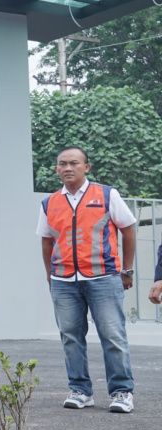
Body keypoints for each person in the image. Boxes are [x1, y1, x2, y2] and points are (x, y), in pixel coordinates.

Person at [38, 146, 137, 413]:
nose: (67, 168)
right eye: (62, 164)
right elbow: (47, 241)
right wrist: (50, 276)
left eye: (73, 163)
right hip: (64, 280)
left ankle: (121, 392)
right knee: (71, 336)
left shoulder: (106, 195)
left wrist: (127, 270)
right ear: (57, 169)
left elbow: (128, 229)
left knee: (112, 335)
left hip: (103, 277)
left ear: (86, 167)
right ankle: (80, 390)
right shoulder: (50, 202)